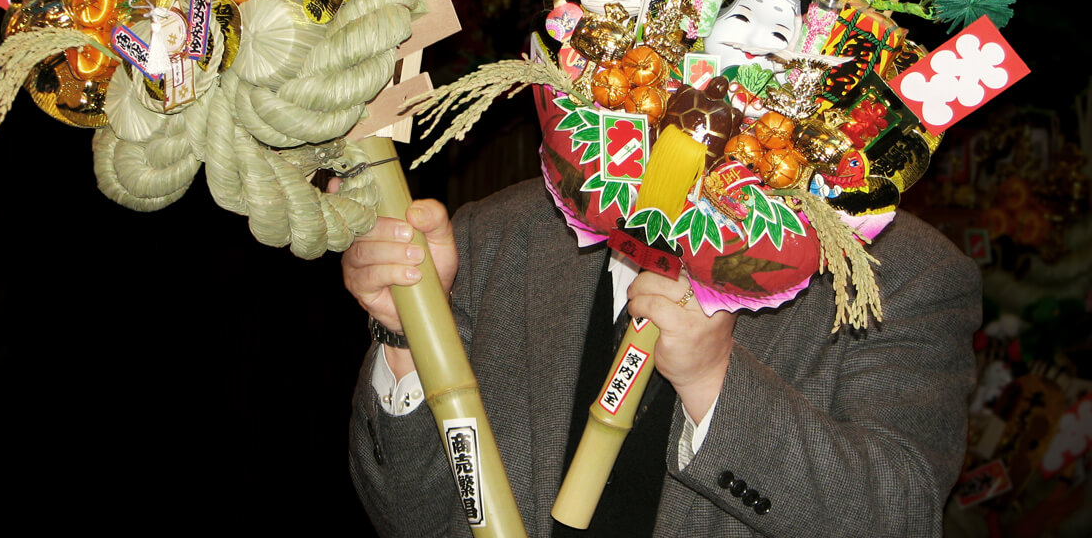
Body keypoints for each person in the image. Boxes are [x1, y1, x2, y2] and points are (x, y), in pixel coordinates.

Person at [345, 177, 980, 537]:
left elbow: (897, 518)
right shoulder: (507, 231)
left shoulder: (893, 275)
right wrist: (409, 337)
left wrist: (714, 382)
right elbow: (409, 518)